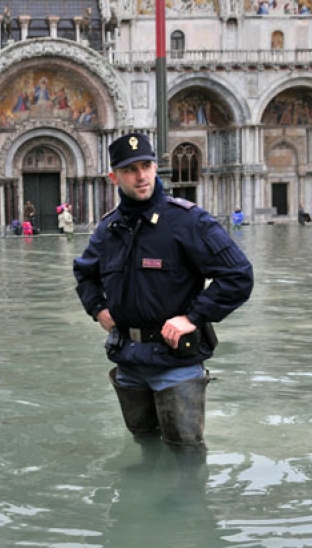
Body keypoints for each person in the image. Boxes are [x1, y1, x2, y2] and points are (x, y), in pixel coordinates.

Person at [73, 132, 254, 450]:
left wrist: (193, 317)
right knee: (145, 448)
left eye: (146, 165)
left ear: (156, 167)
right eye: (130, 169)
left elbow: (238, 276)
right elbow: (85, 274)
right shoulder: (108, 229)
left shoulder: (189, 221)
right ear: (114, 176)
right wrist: (97, 308)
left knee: (186, 457)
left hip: (177, 366)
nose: (141, 175)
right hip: (128, 362)